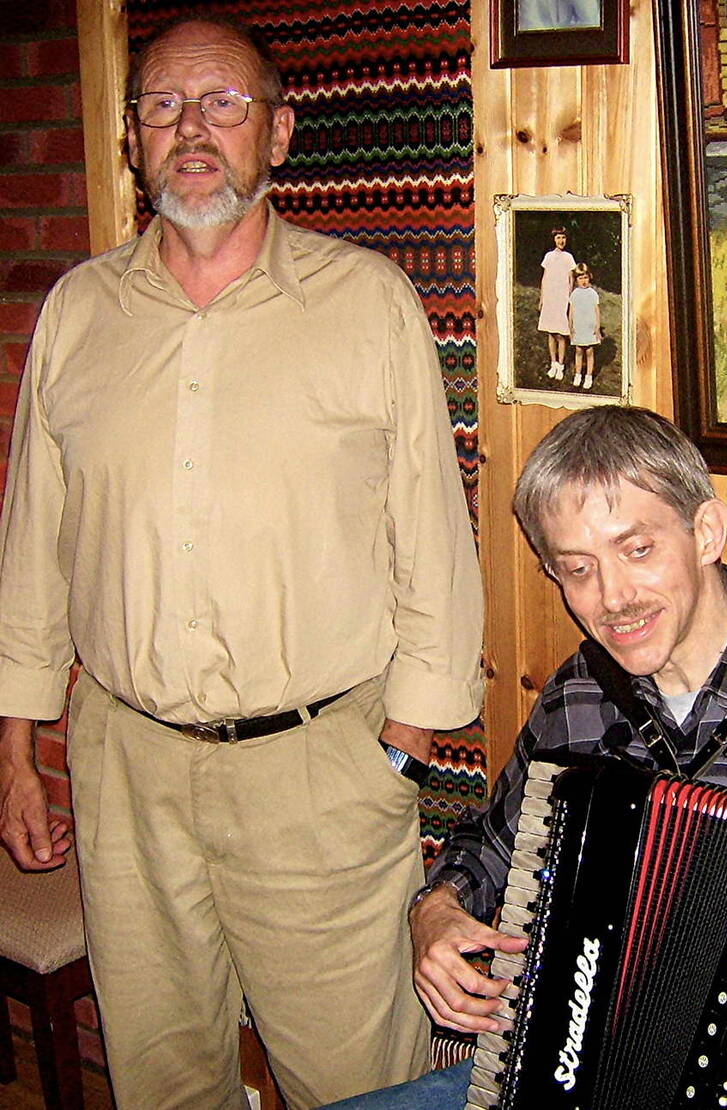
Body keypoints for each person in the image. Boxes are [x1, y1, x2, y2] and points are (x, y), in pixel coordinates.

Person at [0, 17, 484, 1109]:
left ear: (279, 132)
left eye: (225, 105)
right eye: (162, 108)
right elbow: (34, 541)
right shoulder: (78, 314)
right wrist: (18, 743)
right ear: (131, 140)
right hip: (125, 766)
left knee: (355, 1081)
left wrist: (395, 757)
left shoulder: (367, 305)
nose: (193, 131)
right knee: (163, 1076)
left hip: (319, 770)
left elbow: (434, 551)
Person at [325, 406, 727, 1110]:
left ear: (706, 532)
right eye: (577, 569)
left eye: (637, 550)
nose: (613, 599)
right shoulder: (578, 698)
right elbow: (490, 847)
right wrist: (437, 908)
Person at [537, 227, 575, 381]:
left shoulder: (568, 257)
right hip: (550, 296)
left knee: (560, 333)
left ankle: (561, 365)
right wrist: (542, 298)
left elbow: (571, 279)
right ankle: (553, 363)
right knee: (550, 332)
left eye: (563, 238)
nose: (561, 241)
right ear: (554, 239)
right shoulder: (549, 256)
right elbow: (544, 278)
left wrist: (570, 298)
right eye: (558, 238)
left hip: (562, 297)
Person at [567, 262, 601, 389]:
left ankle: (588, 376)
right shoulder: (574, 294)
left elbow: (597, 311)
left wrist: (597, 327)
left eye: (585, 277)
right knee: (579, 351)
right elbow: (571, 311)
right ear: (576, 280)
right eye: (580, 278)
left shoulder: (592, 293)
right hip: (578, 327)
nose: (583, 281)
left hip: (589, 327)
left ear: (589, 277)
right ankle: (578, 374)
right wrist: (570, 327)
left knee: (590, 351)